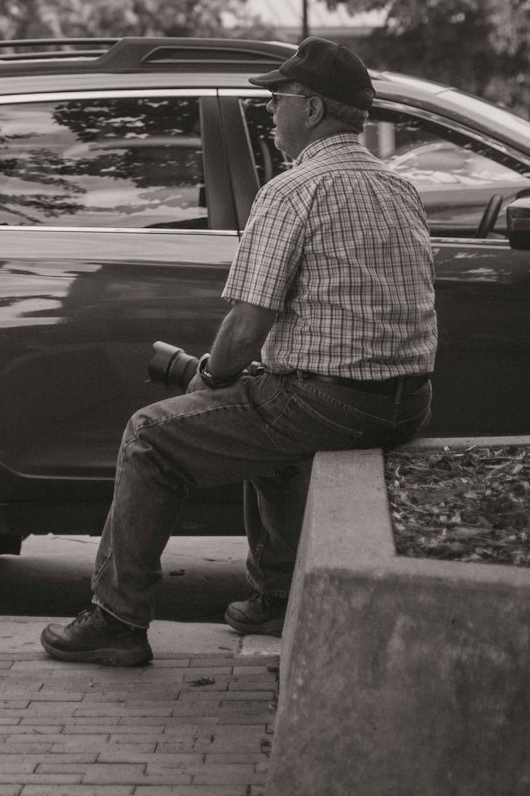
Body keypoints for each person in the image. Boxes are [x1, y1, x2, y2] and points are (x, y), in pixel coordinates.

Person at [41, 36, 437, 667]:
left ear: (310, 108)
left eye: (278, 99)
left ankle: (117, 616)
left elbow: (247, 324)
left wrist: (210, 376)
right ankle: (278, 598)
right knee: (264, 417)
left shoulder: (294, 190)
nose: (270, 112)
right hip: (405, 403)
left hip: (327, 401)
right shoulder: (398, 189)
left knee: (151, 435)